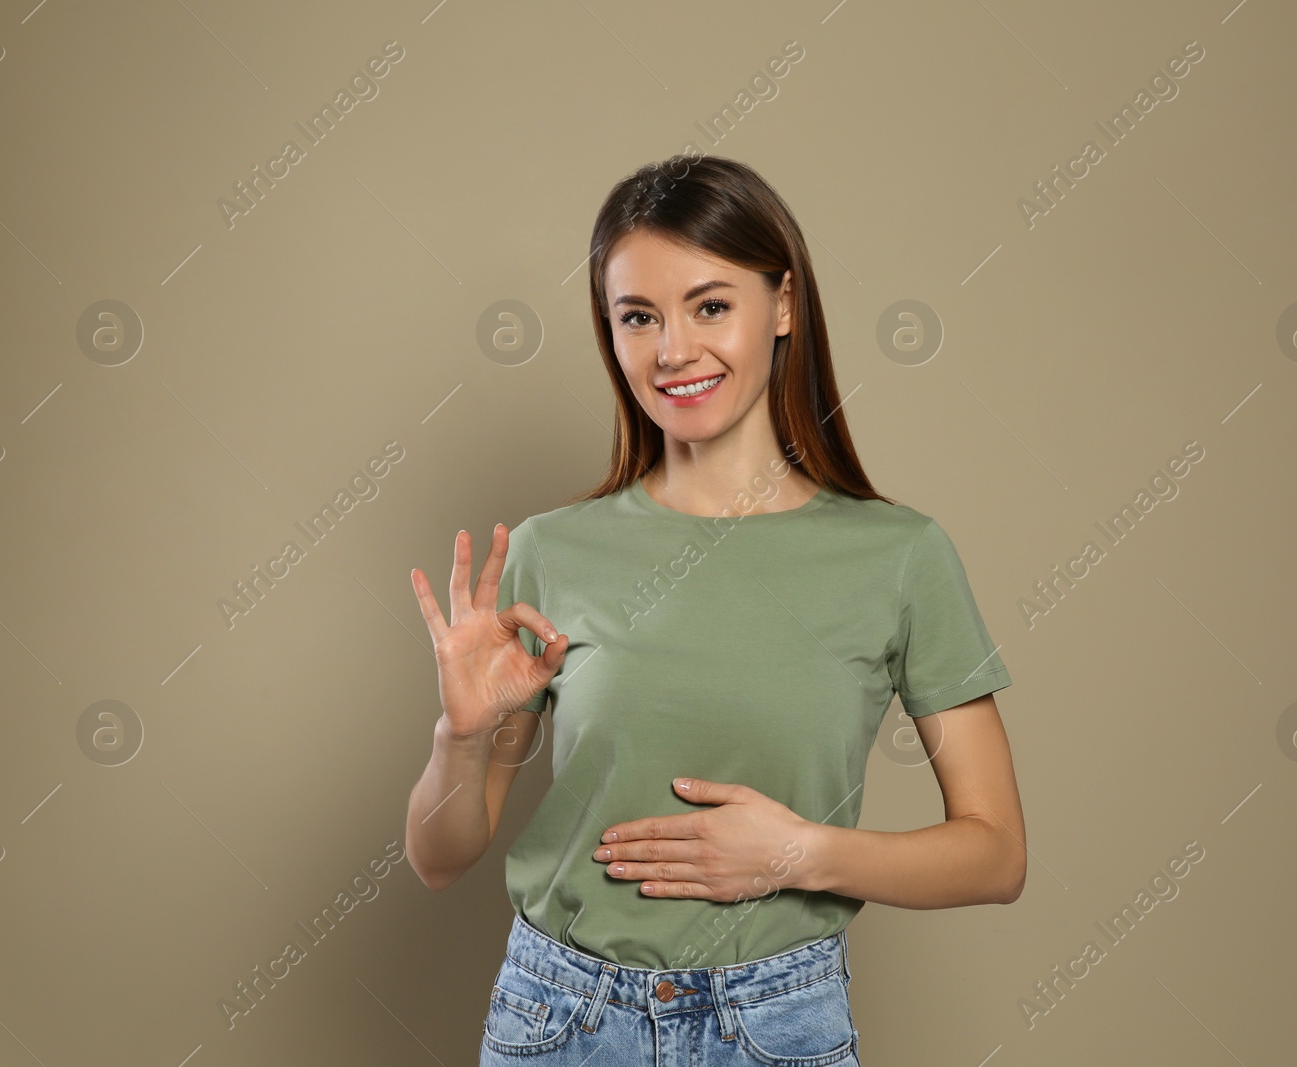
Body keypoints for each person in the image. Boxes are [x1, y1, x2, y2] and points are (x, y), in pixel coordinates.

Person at [404, 154, 1026, 1066]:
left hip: (777, 1024)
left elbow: (995, 852)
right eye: (638, 317)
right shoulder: (550, 548)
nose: (672, 351)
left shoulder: (900, 556)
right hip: (561, 1023)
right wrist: (460, 737)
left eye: (710, 306)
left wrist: (801, 854)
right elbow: (438, 856)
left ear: (781, 306)